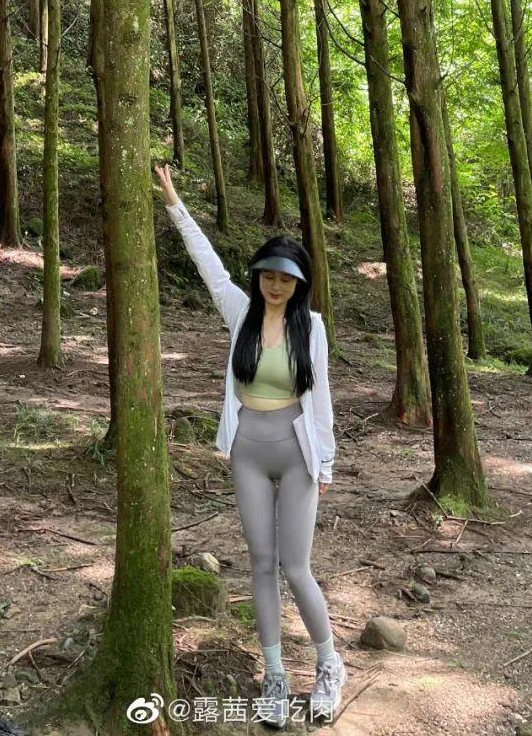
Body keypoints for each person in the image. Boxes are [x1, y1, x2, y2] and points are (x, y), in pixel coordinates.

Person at [155, 163, 347, 728]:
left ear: (299, 283)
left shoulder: (311, 328)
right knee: (261, 564)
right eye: (267, 274)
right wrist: (175, 204)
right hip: (248, 449)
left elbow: (321, 399)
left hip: (296, 450)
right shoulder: (240, 312)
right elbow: (207, 263)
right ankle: (275, 675)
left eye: (285, 278)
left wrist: (326, 463)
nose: (274, 285)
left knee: (296, 567)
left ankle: (330, 665)